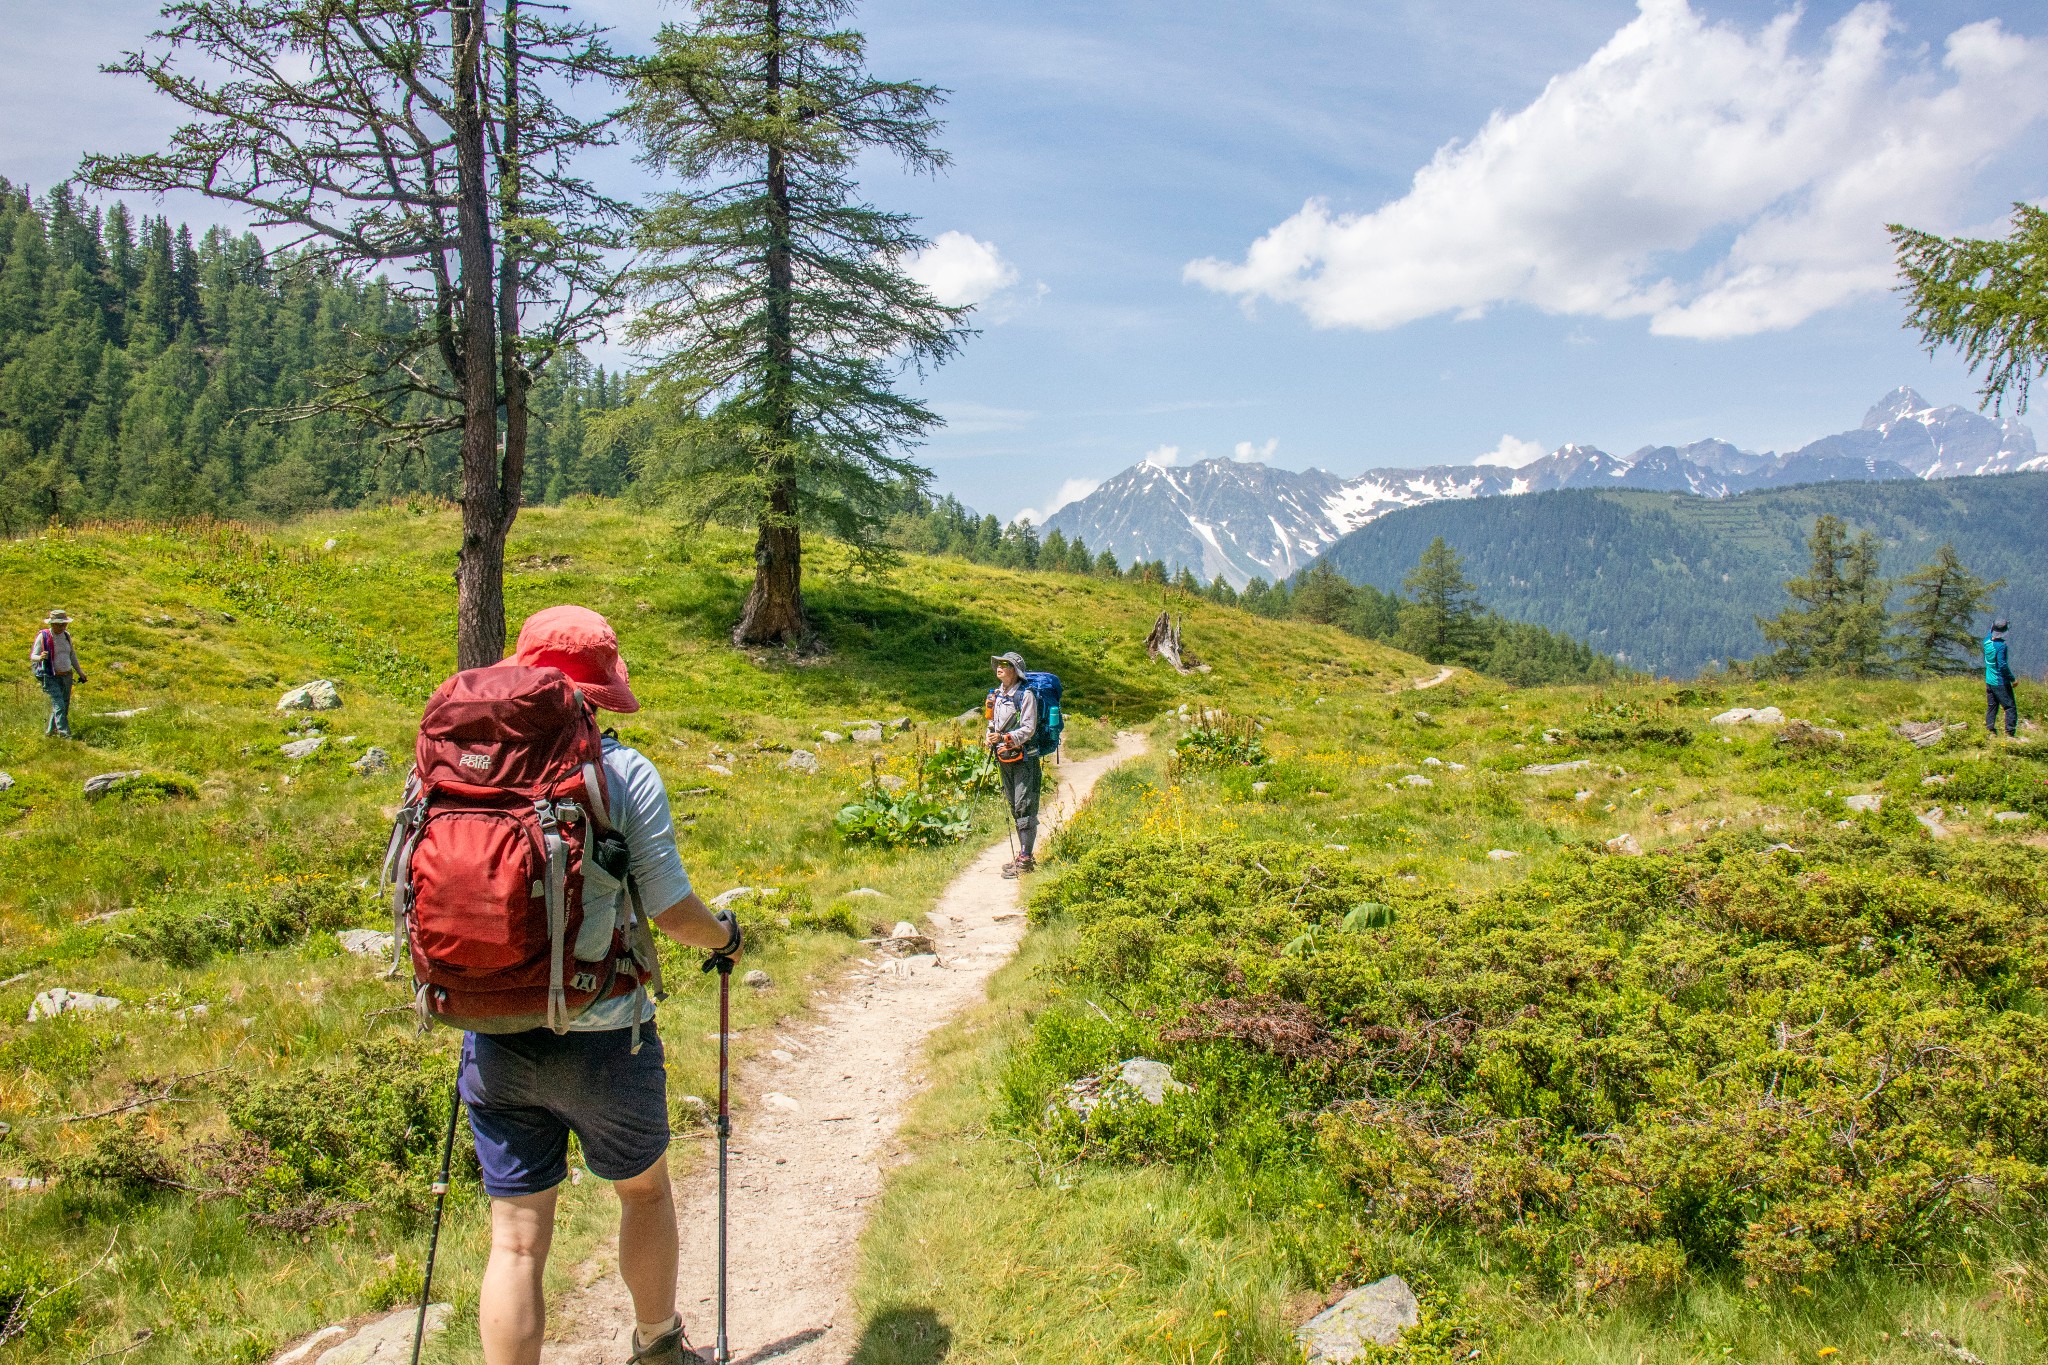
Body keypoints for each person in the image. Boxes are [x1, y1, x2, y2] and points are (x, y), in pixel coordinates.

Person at [459, 606, 740, 1365]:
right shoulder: (621, 771)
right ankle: (658, 1347)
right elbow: (674, 910)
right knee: (643, 1190)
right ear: (601, 690)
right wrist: (727, 937)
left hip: (493, 1032)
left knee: (516, 1241)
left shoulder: (463, 764)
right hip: (605, 1032)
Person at [986, 650, 1042, 878]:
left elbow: (1029, 728)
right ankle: (1022, 855)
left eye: (1005, 664)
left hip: (1024, 758)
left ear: (1015, 671)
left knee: (1024, 804)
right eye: (998, 663)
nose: (1000, 667)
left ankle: (1026, 859)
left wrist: (1005, 738)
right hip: (1004, 757)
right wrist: (990, 736)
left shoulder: (1025, 695)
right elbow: (992, 723)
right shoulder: (996, 695)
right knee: (1013, 803)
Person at [30, 609, 86, 739]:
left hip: (67, 675)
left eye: (64, 624)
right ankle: (65, 735)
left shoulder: (67, 636)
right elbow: (33, 656)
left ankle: (50, 732)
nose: (61, 627)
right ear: (52, 623)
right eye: (58, 624)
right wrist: (40, 657)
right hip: (51, 676)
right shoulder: (43, 636)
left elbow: (72, 655)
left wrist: (80, 672)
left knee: (63, 705)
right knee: (59, 705)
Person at [1985, 617, 2019, 738]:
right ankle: (2010, 734)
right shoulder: (2001, 646)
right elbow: (2002, 665)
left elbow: (1990, 630)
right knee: (2010, 707)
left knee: (1992, 705)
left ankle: (1990, 730)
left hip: (1989, 680)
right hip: (2000, 681)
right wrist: (2013, 679)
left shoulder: (1987, 640)